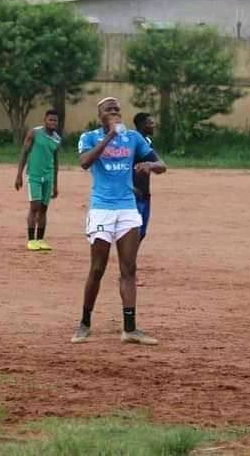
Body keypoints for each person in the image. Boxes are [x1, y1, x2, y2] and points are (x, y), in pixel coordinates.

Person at [71, 97, 166, 345]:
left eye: (117, 109)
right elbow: (84, 163)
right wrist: (109, 137)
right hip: (102, 208)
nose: (114, 112)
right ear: (99, 114)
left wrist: (149, 164)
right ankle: (84, 322)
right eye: (108, 109)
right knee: (98, 268)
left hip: (127, 208)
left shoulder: (133, 138)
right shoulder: (89, 137)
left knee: (129, 268)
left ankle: (130, 329)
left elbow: (162, 165)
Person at [15, 110, 60, 251]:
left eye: (55, 121)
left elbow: (56, 161)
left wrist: (55, 184)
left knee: (44, 208)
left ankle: (40, 240)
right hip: (34, 175)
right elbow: (24, 153)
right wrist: (19, 175)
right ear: (45, 120)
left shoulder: (57, 139)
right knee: (35, 207)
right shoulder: (34, 133)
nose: (52, 123)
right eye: (50, 120)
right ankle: (31, 240)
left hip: (48, 176)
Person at [133, 112, 158, 242]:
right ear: (142, 125)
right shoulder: (132, 141)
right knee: (134, 231)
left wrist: (151, 165)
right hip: (133, 192)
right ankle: (128, 261)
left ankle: (130, 260)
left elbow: (158, 164)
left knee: (141, 232)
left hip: (144, 192)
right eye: (150, 123)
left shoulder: (147, 141)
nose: (153, 125)